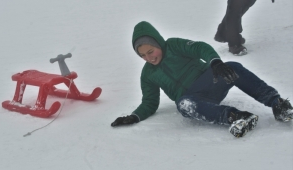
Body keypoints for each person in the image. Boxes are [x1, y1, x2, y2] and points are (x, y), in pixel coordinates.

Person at [111, 21, 292, 138]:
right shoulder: (148, 74)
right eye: (142, 55)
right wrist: (134, 116)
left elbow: (199, 48)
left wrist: (215, 63)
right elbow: (150, 102)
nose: (149, 58)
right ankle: (236, 117)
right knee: (183, 104)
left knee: (233, 67)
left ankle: (277, 104)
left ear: (158, 43)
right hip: (194, 99)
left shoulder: (173, 45)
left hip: (209, 80)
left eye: (151, 51)